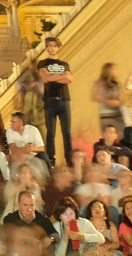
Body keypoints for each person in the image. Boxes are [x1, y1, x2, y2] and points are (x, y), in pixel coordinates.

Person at [41, 38, 74, 166]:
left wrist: (53, 78)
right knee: (51, 132)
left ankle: (69, 159)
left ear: (58, 48)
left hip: (64, 99)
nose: (52, 48)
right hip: (50, 99)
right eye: (50, 46)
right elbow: (45, 77)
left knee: (67, 132)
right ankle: (51, 159)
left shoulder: (65, 64)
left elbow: (69, 79)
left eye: (54, 46)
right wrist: (62, 77)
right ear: (46, 48)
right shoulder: (43, 63)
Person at [91, 64, 124, 139]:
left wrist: (117, 102)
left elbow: (122, 99)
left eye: (115, 69)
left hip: (117, 114)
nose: (114, 71)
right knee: (109, 136)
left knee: (121, 136)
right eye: (112, 69)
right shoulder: (99, 83)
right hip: (106, 115)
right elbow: (93, 97)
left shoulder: (116, 84)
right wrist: (106, 101)